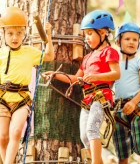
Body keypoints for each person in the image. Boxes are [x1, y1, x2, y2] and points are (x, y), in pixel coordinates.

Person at [44, 10, 120, 164]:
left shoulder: (109, 52)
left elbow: (116, 73)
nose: (87, 38)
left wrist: (96, 77)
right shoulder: (87, 57)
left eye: (90, 33)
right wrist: (55, 75)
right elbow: (76, 78)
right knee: (84, 136)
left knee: (92, 129)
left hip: (102, 96)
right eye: (85, 34)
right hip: (88, 99)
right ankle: (98, 161)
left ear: (103, 33)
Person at [0, 7, 54, 163]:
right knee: (2, 137)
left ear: (24, 34)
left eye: (19, 33)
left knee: (16, 131)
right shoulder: (1, 54)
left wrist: (48, 36)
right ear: (3, 34)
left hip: (21, 100)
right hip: (2, 99)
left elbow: (49, 55)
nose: (15, 37)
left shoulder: (29, 52)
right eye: (10, 33)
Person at [112, 22, 140, 163]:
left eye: (135, 39)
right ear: (118, 41)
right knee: (122, 156)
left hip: (137, 109)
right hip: (118, 112)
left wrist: (134, 102)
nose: (132, 42)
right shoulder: (114, 65)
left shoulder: (138, 62)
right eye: (127, 39)